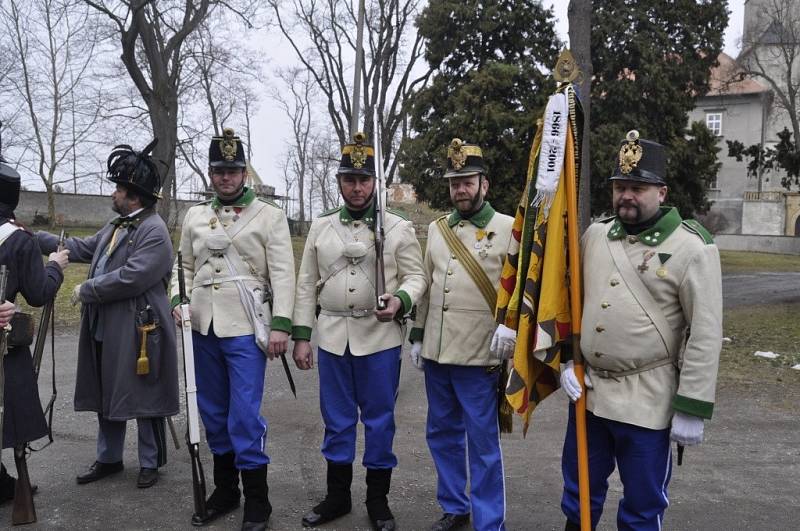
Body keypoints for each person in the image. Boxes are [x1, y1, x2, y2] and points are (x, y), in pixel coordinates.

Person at [559, 130, 723, 530]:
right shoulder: (596, 235)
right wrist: (566, 359)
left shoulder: (693, 248)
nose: (625, 196)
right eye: (620, 187)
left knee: (642, 505)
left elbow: (705, 332)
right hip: (591, 394)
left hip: (647, 400)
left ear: (662, 192)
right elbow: (571, 302)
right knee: (578, 496)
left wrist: (692, 406)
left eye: (637, 187)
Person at [292, 132, 426, 531]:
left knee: (380, 419)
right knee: (336, 419)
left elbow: (417, 277)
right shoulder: (322, 226)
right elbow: (305, 282)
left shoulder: (397, 228)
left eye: (363, 179)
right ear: (339, 182)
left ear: (374, 183)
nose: (356, 187)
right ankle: (337, 497)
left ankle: (377, 500)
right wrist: (302, 335)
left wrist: (401, 298)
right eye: (349, 179)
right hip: (333, 334)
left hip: (379, 337)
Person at [171, 128, 295, 531]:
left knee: (243, 415)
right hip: (202, 325)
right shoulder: (195, 216)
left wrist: (281, 325)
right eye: (219, 171)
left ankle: (258, 500)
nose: (226, 177)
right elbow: (184, 267)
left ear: (245, 173)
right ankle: (226, 490)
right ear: (210, 173)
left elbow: (283, 274)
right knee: (212, 412)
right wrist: (178, 299)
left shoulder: (270, 216)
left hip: (246, 326)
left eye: (234, 170)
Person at [37, 139, 179, 490]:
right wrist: (35, 238)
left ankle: (150, 462)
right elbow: (84, 248)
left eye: (119, 188)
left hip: (140, 326)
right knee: (106, 391)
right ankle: (109, 457)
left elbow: (133, 277)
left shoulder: (155, 231)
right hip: (107, 324)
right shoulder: (117, 225)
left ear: (134, 195)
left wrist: (88, 290)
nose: (113, 193)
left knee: (145, 396)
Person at [408, 139, 514, 531]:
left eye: (467, 181)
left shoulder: (507, 228)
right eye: (455, 183)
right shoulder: (438, 230)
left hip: (479, 356)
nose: (460, 190)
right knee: (441, 434)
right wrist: (417, 336)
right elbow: (428, 285)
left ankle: (489, 521)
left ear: (484, 184)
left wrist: (513, 330)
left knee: (483, 445)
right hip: (438, 353)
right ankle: (454, 506)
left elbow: (519, 292)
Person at [0, 127, 69, 504]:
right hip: (4, 343)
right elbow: (39, 294)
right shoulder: (18, 239)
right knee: (9, 417)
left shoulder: (20, 237)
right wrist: (56, 265)